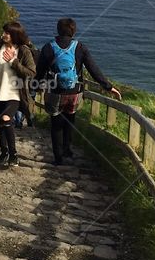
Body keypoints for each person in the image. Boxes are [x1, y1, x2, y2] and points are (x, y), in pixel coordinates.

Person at [36, 17, 122, 165]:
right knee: (70, 120)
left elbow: (40, 72)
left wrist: (35, 86)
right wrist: (108, 86)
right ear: (73, 30)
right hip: (75, 91)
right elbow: (93, 69)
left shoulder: (48, 47)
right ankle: (68, 151)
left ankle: (58, 158)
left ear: (58, 30)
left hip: (55, 91)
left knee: (56, 124)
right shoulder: (80, 47)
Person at [0, 22, 35, 167]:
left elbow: (31, 72)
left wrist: (14, 62)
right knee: (0, 124)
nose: (4, 35)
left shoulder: (23, 51)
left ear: (15, 35)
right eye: (4, 32)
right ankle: (4, 153)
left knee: (6, 119)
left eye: (7, 33)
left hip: (14, 93)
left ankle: (13, 155)